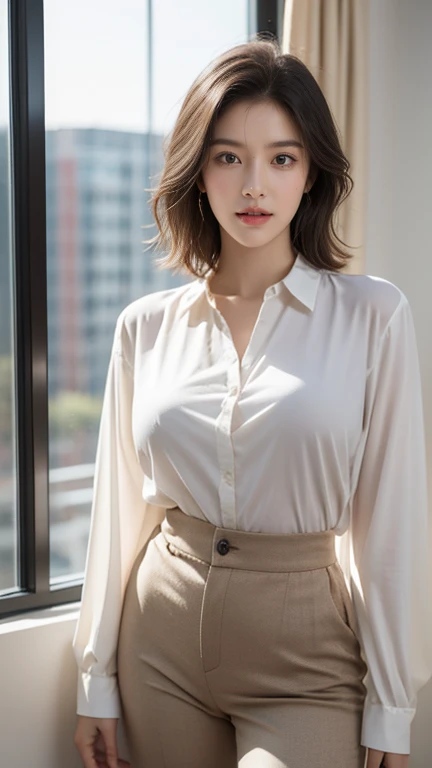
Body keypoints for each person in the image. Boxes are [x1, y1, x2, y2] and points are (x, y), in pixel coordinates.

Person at [73, 37, 432, 768]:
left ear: (311, 174)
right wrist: (95, 679)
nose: (254, 186)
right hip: (160, 645)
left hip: (305, 659)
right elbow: (118, 515)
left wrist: (393, 709)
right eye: (229, 156)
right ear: (198, 173)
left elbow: (391, 524)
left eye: (282, 158)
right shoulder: (145, 326)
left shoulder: (373, 316)